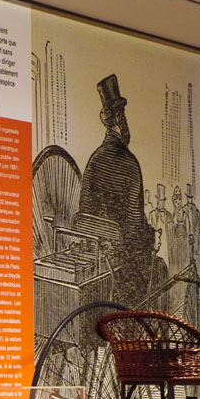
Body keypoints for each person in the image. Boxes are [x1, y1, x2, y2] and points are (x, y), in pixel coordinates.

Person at [73, 74, 157, 307]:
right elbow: (133, 222)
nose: (126, 125)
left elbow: (85, 210)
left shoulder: (94, 159)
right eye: (122, 118)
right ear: (115, 122)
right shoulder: (130, 164)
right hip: (121, 250)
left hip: (94, 245)